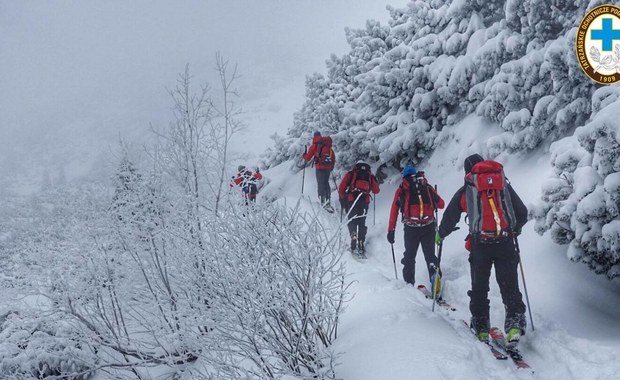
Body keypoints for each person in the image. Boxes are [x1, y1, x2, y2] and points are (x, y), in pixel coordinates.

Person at [435, 153, 528, 348]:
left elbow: (451, 215)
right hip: (505, 242)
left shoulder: (467, 189)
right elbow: (522, 212)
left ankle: (481, 326)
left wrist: (441, 234)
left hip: (480, 246)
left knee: (480, 288)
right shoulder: (502, 184)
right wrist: (515, 229)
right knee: (509, 285)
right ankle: (514, 325)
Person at [387, 165, 445, 291]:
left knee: (409, 257)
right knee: (430, 256)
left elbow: (394, 211)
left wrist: (391, 230)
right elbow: (441, 204)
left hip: (411, 228)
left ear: (404, 176)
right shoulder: (426, 186)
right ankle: (435, 280)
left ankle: (409, 286)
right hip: (428, 226)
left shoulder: (402, 189)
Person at [338, 161, 380, 255]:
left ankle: (353, 235)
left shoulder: (352, 173)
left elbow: (341, 188)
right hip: (365, 201)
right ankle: (361, 241)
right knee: (362, 222)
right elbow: (376, 191)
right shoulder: (369, 175)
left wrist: (342, 198)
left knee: (352, 220)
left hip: (352, 199)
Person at [303, 131, 336, 212]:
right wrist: (331, 167)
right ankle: (328, 200)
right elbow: (333, 156)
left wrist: (304, 155)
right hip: (328, 167)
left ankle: (323, 201)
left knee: (321, 183)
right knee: (326, 182)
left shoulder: (315, 145)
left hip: (320, 168)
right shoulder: (327, 145)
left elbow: (307, 158)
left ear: (314, 136)